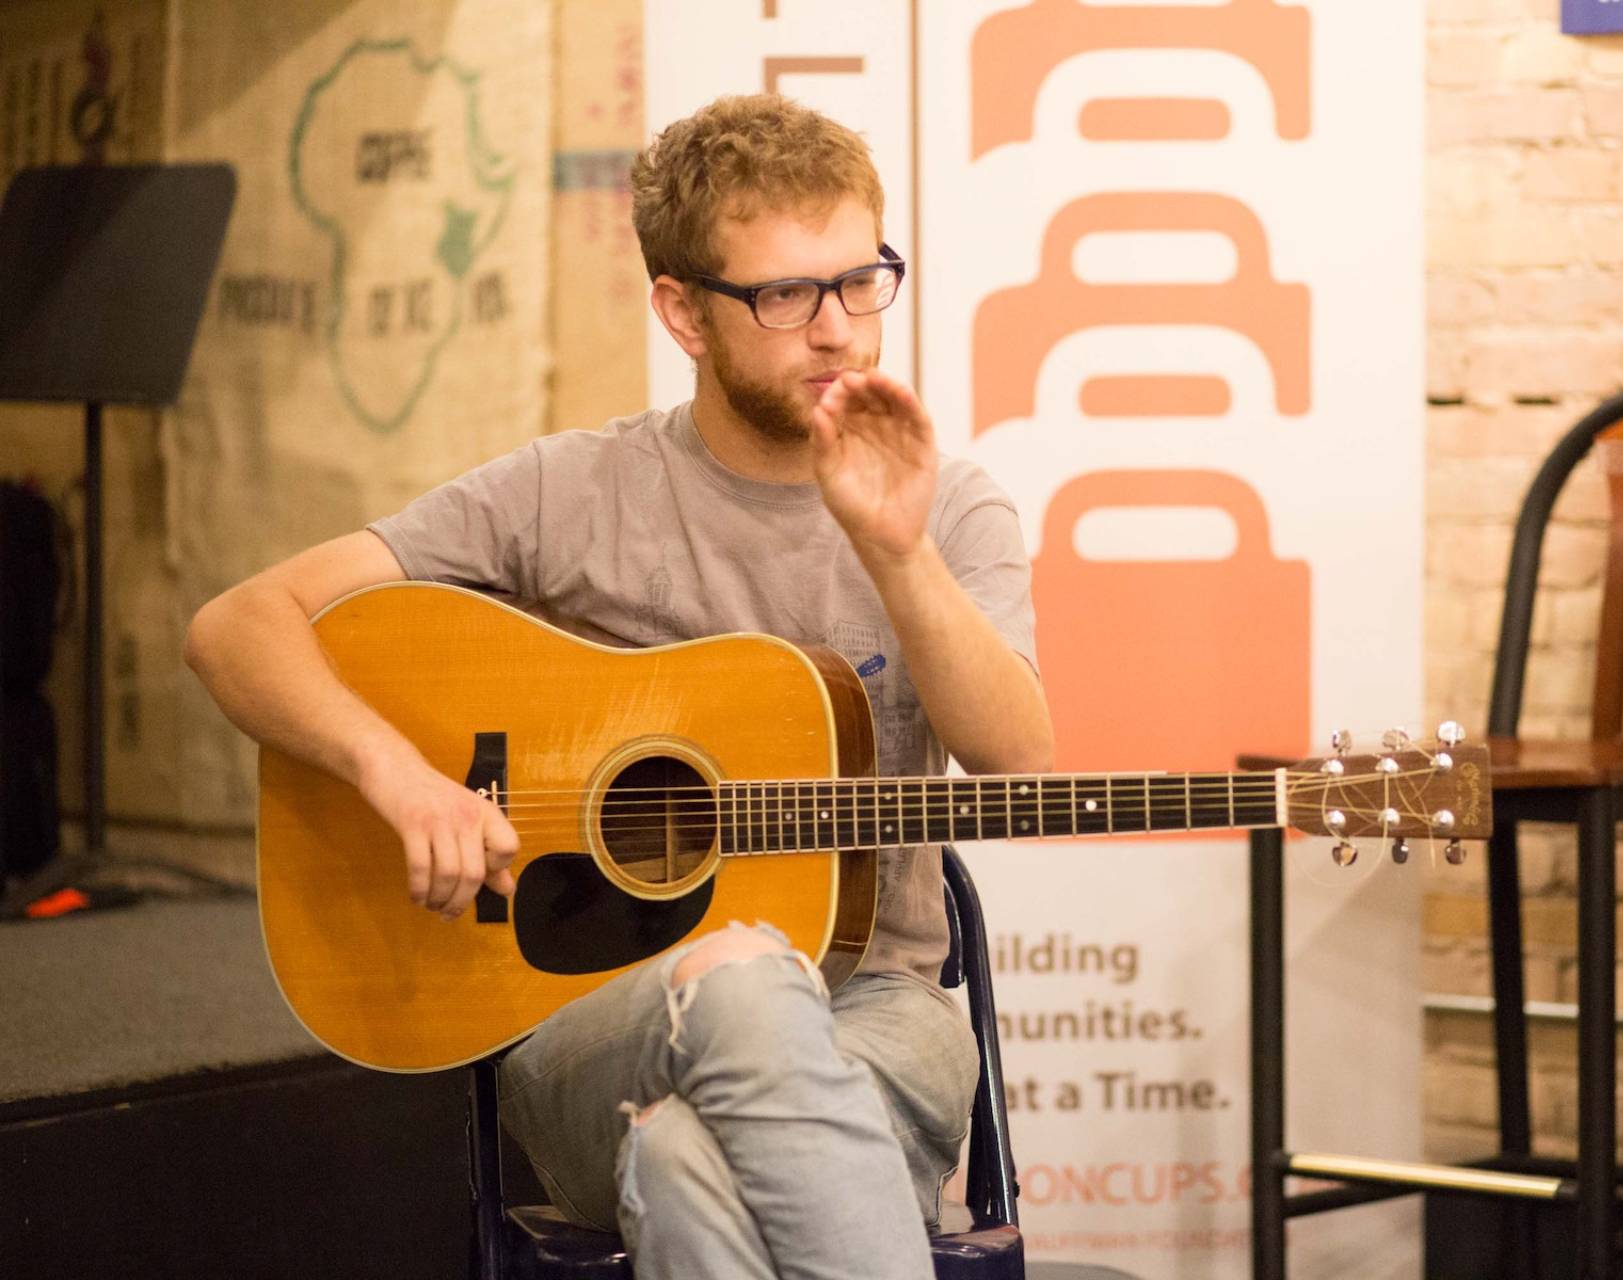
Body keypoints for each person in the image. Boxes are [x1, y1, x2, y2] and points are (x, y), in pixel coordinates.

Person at [185, 93, 1053, 1279]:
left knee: (690, 1163)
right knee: (741, 972)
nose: (840, 330)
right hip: (600, 1027)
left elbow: (1020, 766)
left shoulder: (952, 505)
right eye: (786, 295)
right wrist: (401, 777)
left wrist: (899, 552)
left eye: (862, 281)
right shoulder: (570, 492)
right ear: (683, 312)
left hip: (877, 1015)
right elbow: (240, 625)